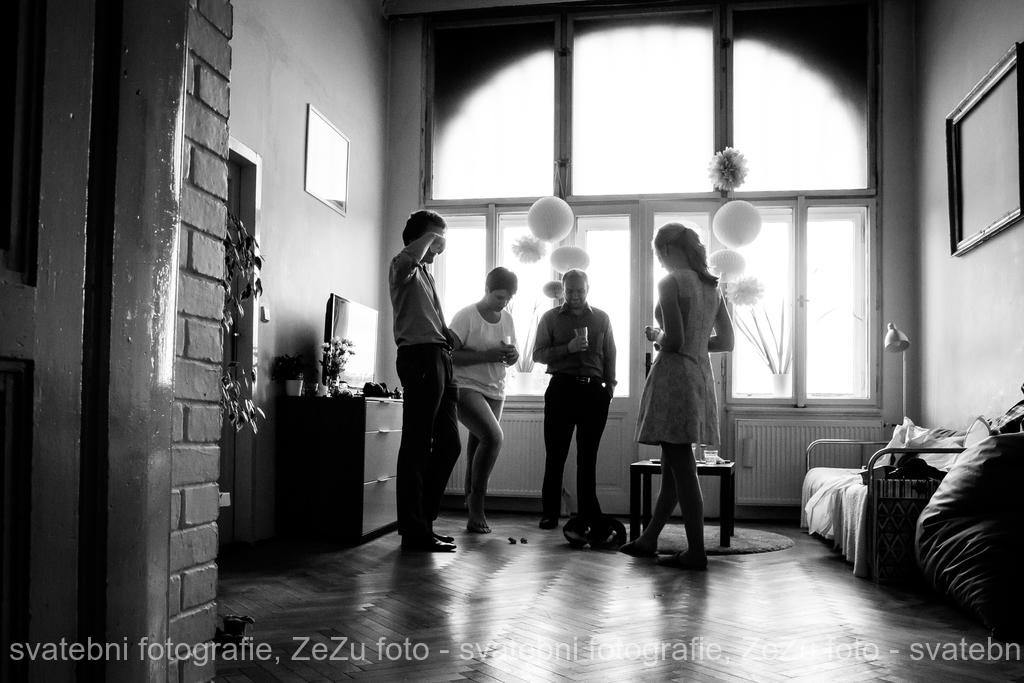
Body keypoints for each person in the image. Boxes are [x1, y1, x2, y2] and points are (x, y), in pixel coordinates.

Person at [619, 223, 734, 569]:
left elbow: (674, 341)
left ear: (667, 249)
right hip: (699, 376)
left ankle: (696, 552)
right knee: (672, 467)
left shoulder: (670, 282)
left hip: (674, 378)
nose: (659, 259)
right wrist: (696, 343)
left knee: (683, 469)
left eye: (657, 253)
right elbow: (726, 342)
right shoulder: (711, 286)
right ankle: (649, 539)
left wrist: (656, 335)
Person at [389, 209, 462, 552]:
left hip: (440, 358)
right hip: (419, 358)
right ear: (420, 238)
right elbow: (409, 258)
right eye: (435, 239)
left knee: (450, 444)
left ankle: (424, 522)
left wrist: (448, 333)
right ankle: (414, 532)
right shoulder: (401, 265)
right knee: (417, 444)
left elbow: (428, 317)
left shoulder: (426, 275)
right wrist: (431, 238)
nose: (438, 248)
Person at [533, 269, 616, 530]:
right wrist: (567, 349)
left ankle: (588, 513)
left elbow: (610, 354)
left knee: (587, 457)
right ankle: (550, 513)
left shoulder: (602, 318)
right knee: (555, 455)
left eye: (580, 290)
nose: (575, 295)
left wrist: (610, 388)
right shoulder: (550, 318)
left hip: (594, 392)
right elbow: (537, 354)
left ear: (588, 289)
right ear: (563, 290)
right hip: (561, 389)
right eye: (570, 291)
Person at [449, 267, 519, 534]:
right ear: (486, 289)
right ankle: (477, 504)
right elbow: (449, 355)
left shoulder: (508, 318)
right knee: (494, 437)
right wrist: (488, 355)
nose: (503, 302)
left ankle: (471, 507)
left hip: (495, 388)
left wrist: (513, 356)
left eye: (508, 298)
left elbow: (510, 354)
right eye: (499, 296)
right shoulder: (466, 316)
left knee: (479, 445)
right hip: (465, 386)